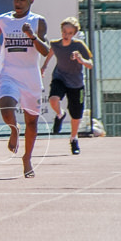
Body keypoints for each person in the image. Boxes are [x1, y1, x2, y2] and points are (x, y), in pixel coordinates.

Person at [0, 0, 49, 178]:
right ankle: (13, 129)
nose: (18, 3)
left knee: (32, 122)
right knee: (6, 108)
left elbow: (45, 51)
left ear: (31, 1)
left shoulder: (38, 21)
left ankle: (27, 158)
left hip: (30, 76)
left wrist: (32, 36)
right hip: (9, 73)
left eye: (22, 0)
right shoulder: (4, 19)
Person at [41, 17, 93, 155]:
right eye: (64, 31)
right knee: (53, 99)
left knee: (76, 114)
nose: (66, 35)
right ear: (61, 31)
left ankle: (73, 139)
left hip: (76, 83)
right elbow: (51, 52)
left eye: (70, 33)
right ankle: (59, 114)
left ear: (74, 33)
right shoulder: (55, 44)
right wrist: (44, 67)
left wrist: (80, 59)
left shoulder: (79, 45)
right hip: (60, 78)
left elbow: (90, 64)